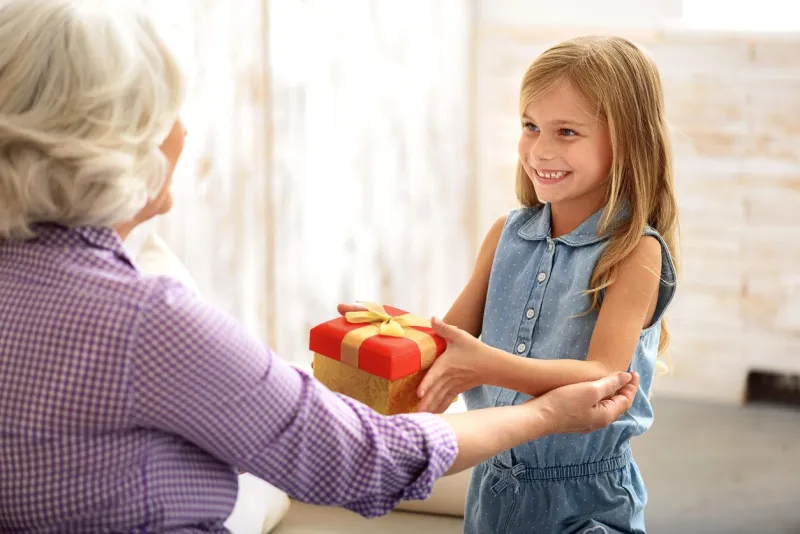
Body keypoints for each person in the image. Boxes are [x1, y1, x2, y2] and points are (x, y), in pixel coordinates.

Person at [0, 2, 639, 532]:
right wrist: (546, 415)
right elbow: (362, 459)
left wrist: (388, 340)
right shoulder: (148, 321)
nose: (184, 132)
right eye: (165, 112)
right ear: (115, 144)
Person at [399, 36, 679, 534]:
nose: (540, 149)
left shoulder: (636, 251)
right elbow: (445, 338)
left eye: (566, 131)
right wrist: (375, 338)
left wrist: (484, 365)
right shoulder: (505, 235)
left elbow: (602, 375)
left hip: (586, 498)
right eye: (530, 126)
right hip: (494, 487)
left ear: (628, 141)